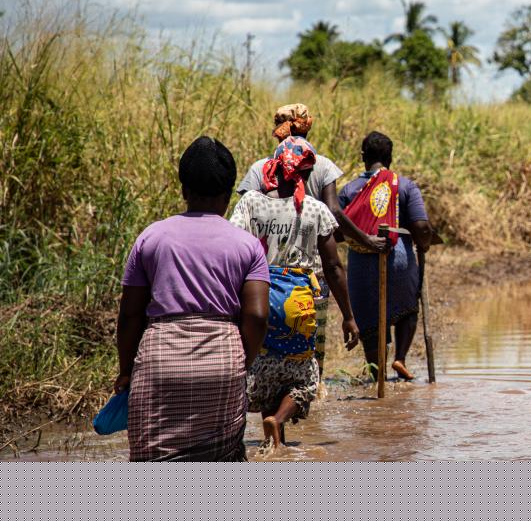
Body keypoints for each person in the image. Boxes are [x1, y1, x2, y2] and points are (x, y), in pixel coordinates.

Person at [117, 136, 270, 462]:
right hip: (223, 360)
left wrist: (126, 370)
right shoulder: (248, 245)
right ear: (229, 194)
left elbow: (130, 315)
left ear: (184, 189)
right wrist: (243, 362)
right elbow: (257, 317)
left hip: (160, 362)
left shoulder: (152, 236)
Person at [236, 103, 389, 377]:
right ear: (307, 125)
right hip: (310, 276)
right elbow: (333, 212)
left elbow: (243, 222)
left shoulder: (259, 169)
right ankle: (308, 397)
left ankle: (271, 402)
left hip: (262, 277)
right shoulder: (320, 164)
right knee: (310, 349)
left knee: (264, 350)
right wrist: (365, 239)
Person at [230, 135, 360, 448]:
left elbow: (231, 247)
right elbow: (333, 267)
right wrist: (349, 317)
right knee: (304, 375)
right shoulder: (315, 210)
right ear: (305, 173)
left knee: (261, 364)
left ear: (272, 168)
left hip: (258, 295)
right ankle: (278, 420)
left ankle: (265, 435)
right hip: (300, 301)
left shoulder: (252, 203)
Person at [338, 131, 432, 381]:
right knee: (407, 309)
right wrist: (424, 243)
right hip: (399, 262)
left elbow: (336, 230)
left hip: (362, 268)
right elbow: (421, 227)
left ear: (363, 156)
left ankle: (376, 370)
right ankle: (400, 358)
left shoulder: (349, 190)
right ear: (390, 157)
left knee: (369, 317)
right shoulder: (404, 186)